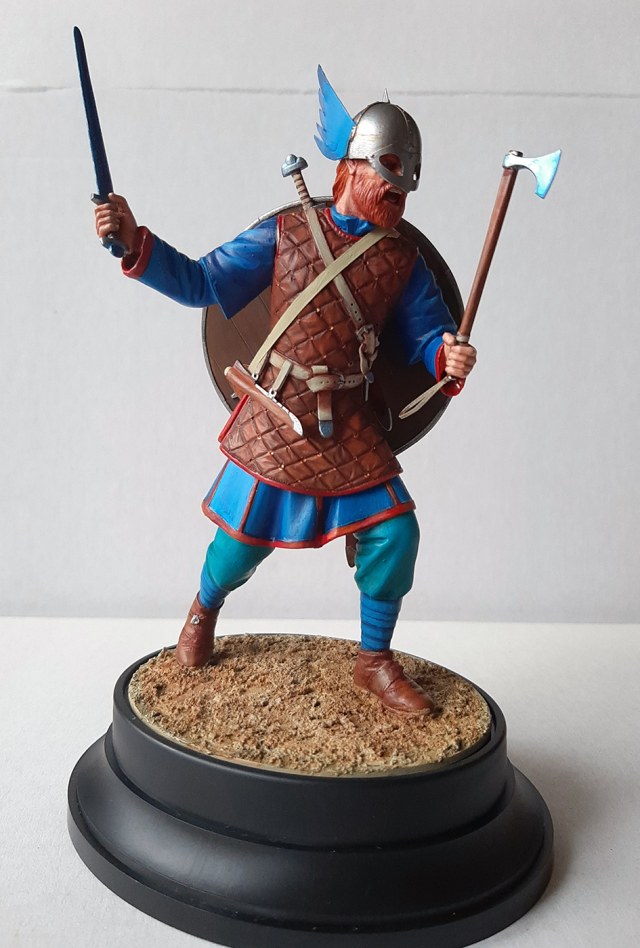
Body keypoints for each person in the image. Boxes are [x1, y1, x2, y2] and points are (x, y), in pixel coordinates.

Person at [94, 68, 477, 716]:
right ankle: (203, 608)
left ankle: (374, 660)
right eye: (387, 172)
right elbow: (200, 283)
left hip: (349, 422)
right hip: (278, 414)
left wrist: (448, 353)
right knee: (239, 544)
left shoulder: (402, 262)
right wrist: (133, 241)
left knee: (395, 534)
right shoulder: (287, 233)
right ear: (350, 167)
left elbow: (426, 336)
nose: (397, 190)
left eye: (406, 180)